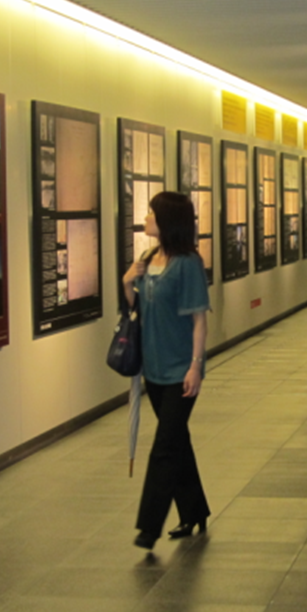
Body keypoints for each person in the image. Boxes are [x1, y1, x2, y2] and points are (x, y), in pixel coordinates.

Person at [122, 191, 211, 551]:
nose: (146, 218)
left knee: (163, 447)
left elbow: (199, 321)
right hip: (154, 370)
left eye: (151, 213)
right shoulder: (147, 258)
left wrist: (196, 367)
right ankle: (195, 510)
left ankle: (148, 526)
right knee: (177, 442)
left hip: (181, 372)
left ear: (168, 220)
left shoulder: (188, 264)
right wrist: (127, 282)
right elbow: (137, 309)